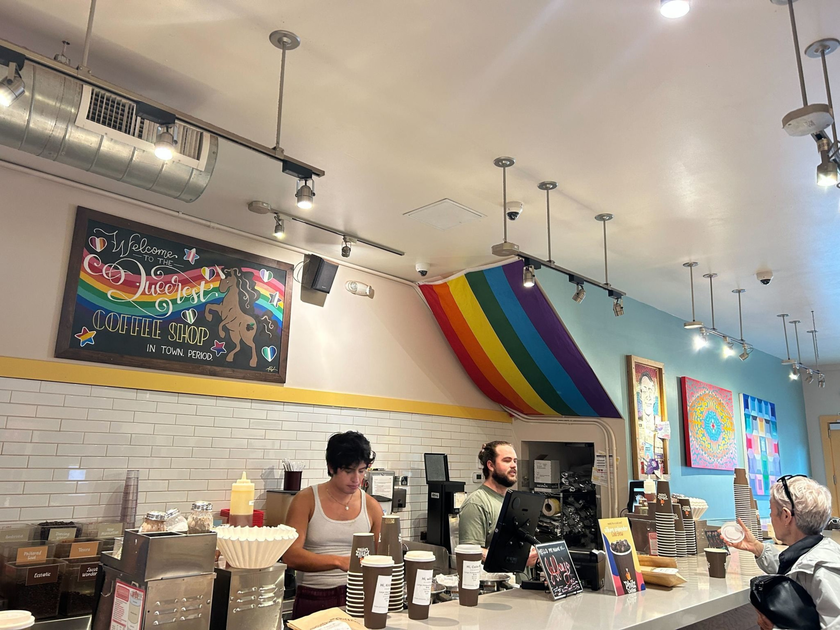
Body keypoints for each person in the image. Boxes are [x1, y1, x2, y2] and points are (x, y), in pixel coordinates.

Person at [284, 431, 384, 619]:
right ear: (331, 467)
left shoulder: (371, 506)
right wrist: (338, 561)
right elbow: (290, 555)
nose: (356, 479)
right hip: (313, 595)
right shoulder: (306, 499)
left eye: (361, 471)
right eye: (348, 471)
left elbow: (382, 557)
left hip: (358, 595)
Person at [726, 475, 840, 630]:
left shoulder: (823, 571)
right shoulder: (817, 550)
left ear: (786, 516)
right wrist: (757, 548)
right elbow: (796, 570)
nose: (770, 516)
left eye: (771, 511)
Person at [459, 441, 537, 567]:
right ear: (491, 465)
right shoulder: (477, 502)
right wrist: (516, 559)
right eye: (507, 460)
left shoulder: (512, 501)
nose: (513, 465)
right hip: (494, 579)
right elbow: (470, 551)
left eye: (515, 461)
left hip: (518, 578)